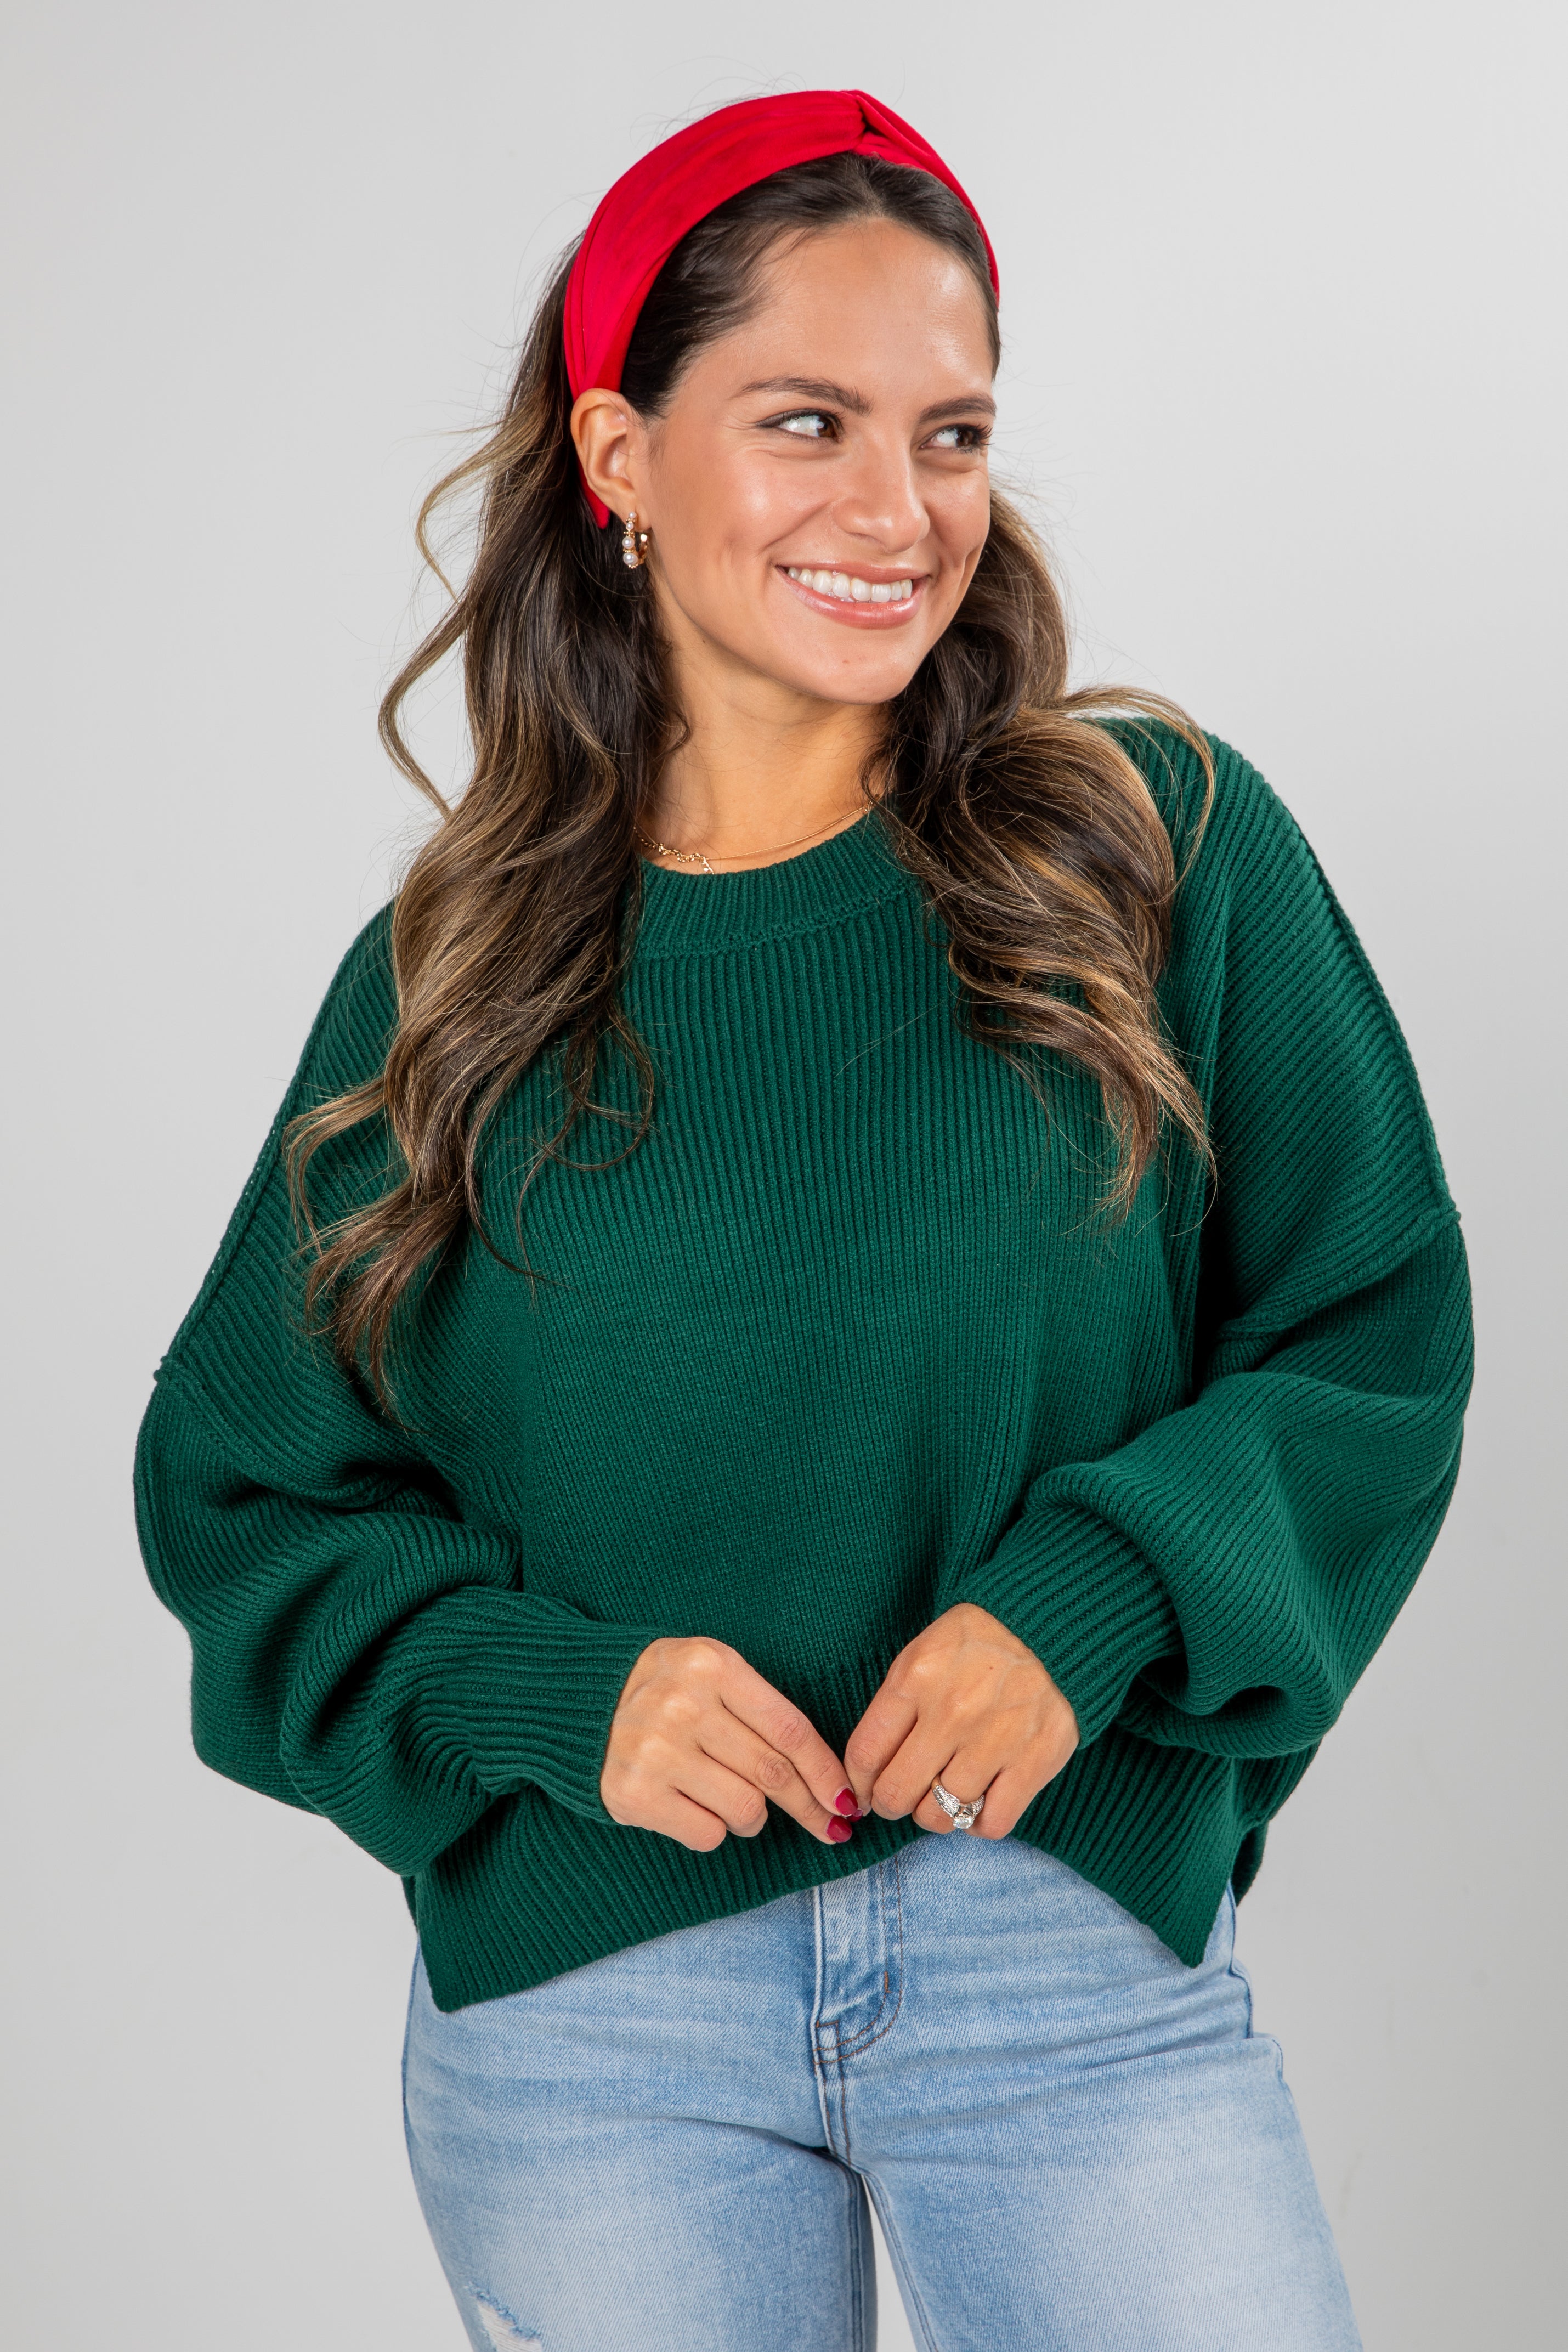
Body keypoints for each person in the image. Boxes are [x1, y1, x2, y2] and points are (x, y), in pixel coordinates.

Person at [133, 90, 1473, 2352]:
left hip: (1057, 1952)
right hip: (597, 2011)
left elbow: (1371, 1331)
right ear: (619, 456)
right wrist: (560, 1695)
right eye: (804, 421)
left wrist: (1096, 1598)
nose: (895, 507)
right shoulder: (453, 983)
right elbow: (245, 1493)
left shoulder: (1154, 850)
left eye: (950, 433)